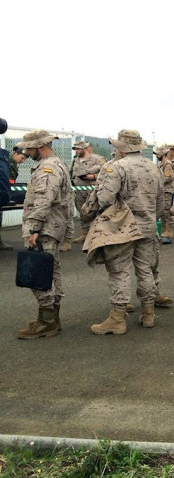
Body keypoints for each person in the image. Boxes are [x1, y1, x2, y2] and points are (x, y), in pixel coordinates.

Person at [89, 130, 163, 335]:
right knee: (145, 269)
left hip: (123, 228)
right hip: (148, 226)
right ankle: (148, 313)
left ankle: (117, 318)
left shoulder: (117, 167)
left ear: (121, 147)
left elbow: (104, 198)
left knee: (119, 270)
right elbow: (160, 203)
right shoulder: (154, 168)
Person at [15, 129, 71, 339]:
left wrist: (33, 229)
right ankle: (51, 318)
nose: (26, 152)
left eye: (29, 148)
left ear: (39, 146)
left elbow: (43, 200)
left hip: (44, 228)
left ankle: (46, 322)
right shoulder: (56, 164)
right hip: (52, 227)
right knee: (51, 271)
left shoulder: (47, 168)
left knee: (39, 274)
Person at [69, 140, 104, 243]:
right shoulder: (75, 160)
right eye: (75, 149)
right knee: (82, 212)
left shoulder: (97, 159)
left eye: (79, 149)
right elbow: (71, 173)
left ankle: (96, 235)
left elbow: (106, 173)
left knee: (94, 212)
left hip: (92, 192)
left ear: (85, 148)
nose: (77, 151)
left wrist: (94, 176)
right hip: (79, 192)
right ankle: (85, 234)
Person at [0, 149, 26, 250]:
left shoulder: (11, 163)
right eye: (22, 157)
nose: (22, 160)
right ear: (15, 154)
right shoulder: (6, 161)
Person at [154, 146, 174, 244]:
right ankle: (163, 231)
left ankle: (169, 231)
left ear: (163, 154)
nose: (157, 155)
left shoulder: (167, 163)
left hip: (167, 191)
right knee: (162, 212)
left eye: (158, 154)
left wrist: (156, 182)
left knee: (166, 212)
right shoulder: (160, 163)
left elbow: (168, 177)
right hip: (161, 190)